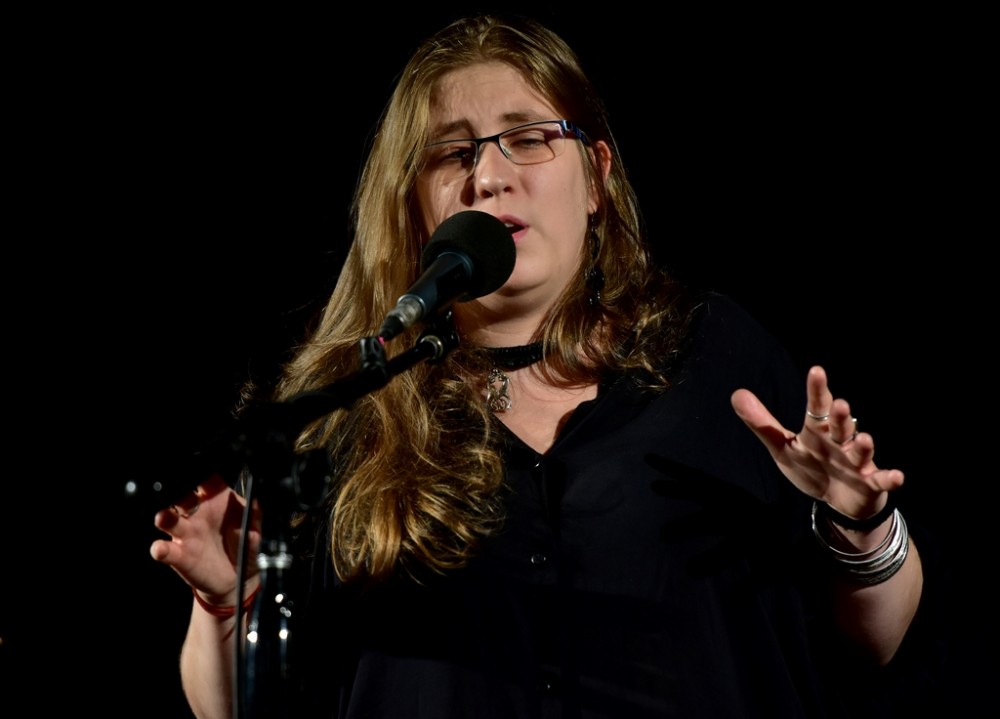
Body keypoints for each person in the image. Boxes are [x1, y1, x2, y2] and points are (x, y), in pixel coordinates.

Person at [150, 13, 945, 718]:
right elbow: (233, 705)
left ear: (596, 177)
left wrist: (859, 521)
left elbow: (876, 641)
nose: (489, 175)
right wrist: (225, 606)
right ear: (415, 205)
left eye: (528, 137)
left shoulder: (715, 357)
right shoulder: (347, 413)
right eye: (452, 152)